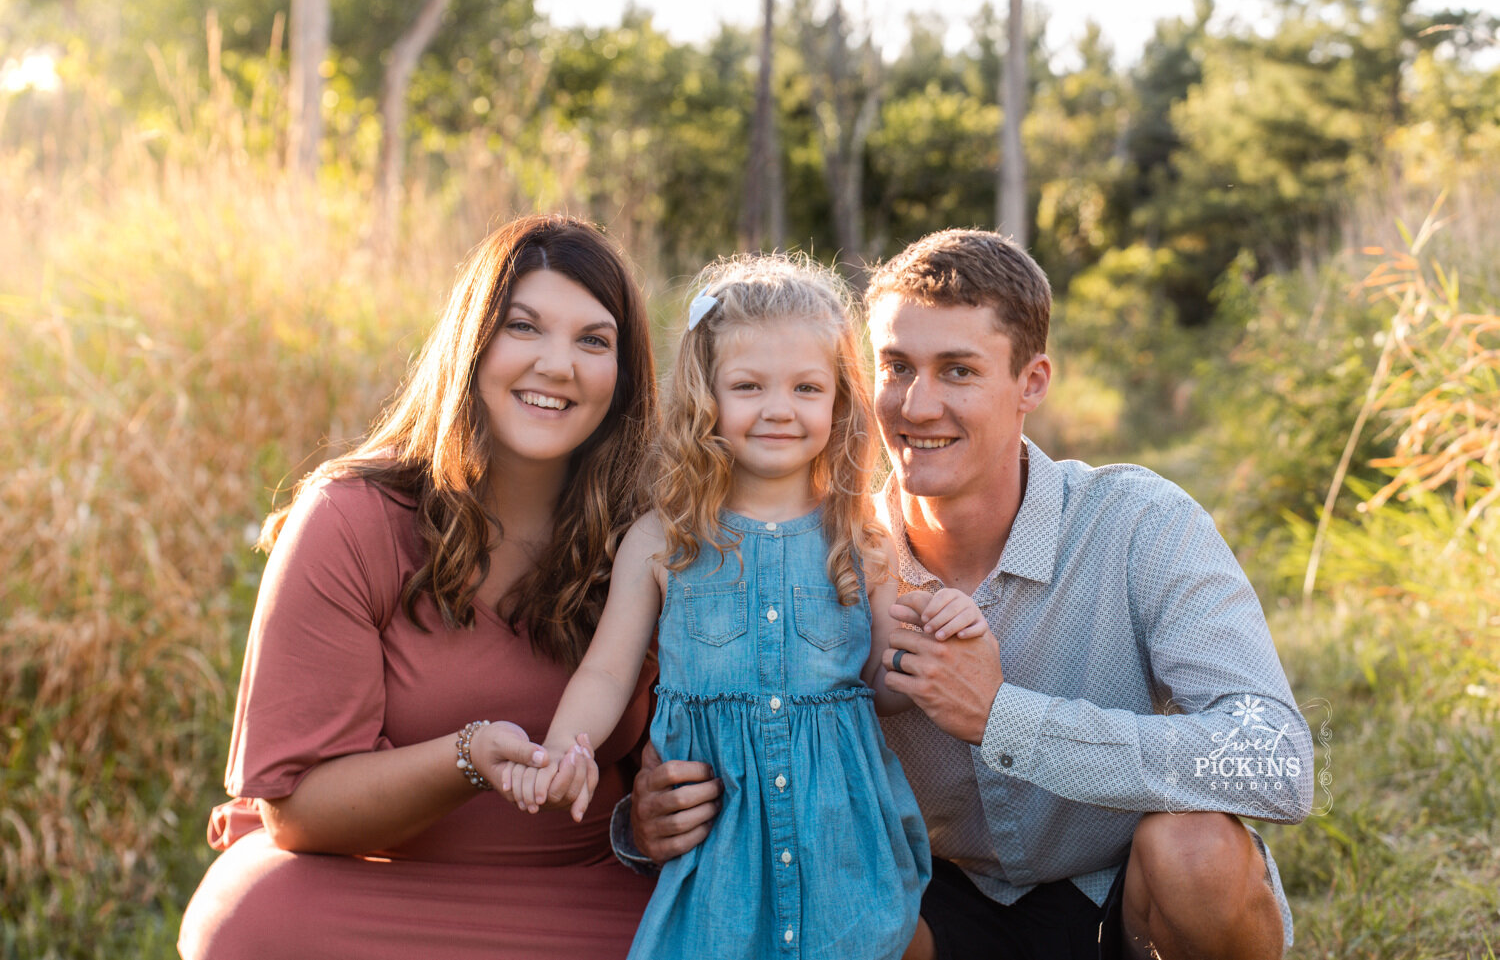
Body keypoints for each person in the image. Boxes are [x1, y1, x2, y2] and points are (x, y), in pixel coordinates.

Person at [627, 229, 1315, 960]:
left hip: (1117, 896)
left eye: (957, 370)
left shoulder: (1141, 523)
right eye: (896, 367)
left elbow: (1276, 761)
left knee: (1195, 849)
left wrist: (1005, 718)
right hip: (925, 906)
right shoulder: (823, 556)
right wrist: (642, 821)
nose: (918, 406)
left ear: (1032, 382)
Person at [178, 214, 661, 959]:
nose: (558, 364)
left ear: (624, 376)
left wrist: (657, 809)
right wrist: (466, 758)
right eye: (524, 327)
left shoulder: (654, 534)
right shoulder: (350, 518)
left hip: (587, 888)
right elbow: (298, 812)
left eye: (593, 340)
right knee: (253, 921)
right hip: (368, 887)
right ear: (473, 344)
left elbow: (675, 758)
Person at [506, 255, 986, 960]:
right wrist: (562, 749)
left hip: (843, 840)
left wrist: (947, 626)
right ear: (708, 397)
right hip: (718, 846)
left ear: (838, 401)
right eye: (748, 386)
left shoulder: (860, 540)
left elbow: (889, 686)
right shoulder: (662, 540)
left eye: (805, 387)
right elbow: (607, 673)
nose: (779, 409)